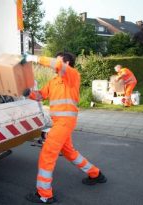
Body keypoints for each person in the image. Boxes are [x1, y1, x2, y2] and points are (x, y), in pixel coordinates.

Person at [23, 52, 107, 204]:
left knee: (47, 154)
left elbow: (57, 65)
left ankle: (44, 195)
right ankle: (95, 174)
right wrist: (29, 93)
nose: (56, 63)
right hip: (59, 123)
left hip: (65, 122)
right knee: (69, 152)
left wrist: (34, 58)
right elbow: (41, 95)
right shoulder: (54, 81)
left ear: (67, 63)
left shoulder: (72, 75)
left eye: (59, 61)